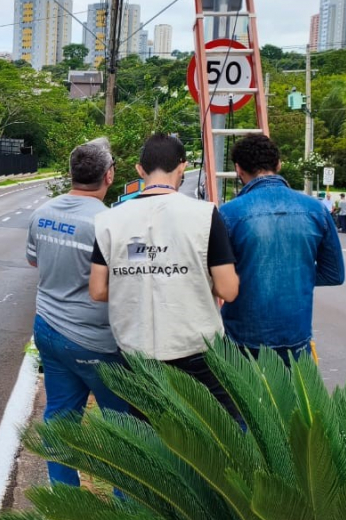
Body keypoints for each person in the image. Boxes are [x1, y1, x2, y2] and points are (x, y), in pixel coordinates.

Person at [88, 133, 242, 421]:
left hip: (135, 352)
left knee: (150, 440)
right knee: (219, 436)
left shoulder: (108, 219)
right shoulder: (205, 214)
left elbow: (97, 290)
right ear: (182, 167)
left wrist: (138, 279)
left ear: (139, 170)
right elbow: (228, 290)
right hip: (197, 350)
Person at [26, 137, 130, 488]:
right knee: (122, 427)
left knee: (60, 418)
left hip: (49, 331)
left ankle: (63, 499)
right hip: (95, 341)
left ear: (71, 173)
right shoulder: (109, 223)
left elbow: (33, 260)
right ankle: (124, 506)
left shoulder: (42, 213)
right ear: (109, 176)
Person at [219, 134, 345, 364]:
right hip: (295, 336)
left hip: (242, 338)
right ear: (278, 164)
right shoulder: (316, 210)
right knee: (292, 400)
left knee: (238, 400)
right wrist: (293, 274)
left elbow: (217, 278)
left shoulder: (228, 214)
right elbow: (334, 274)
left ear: (238, 169)